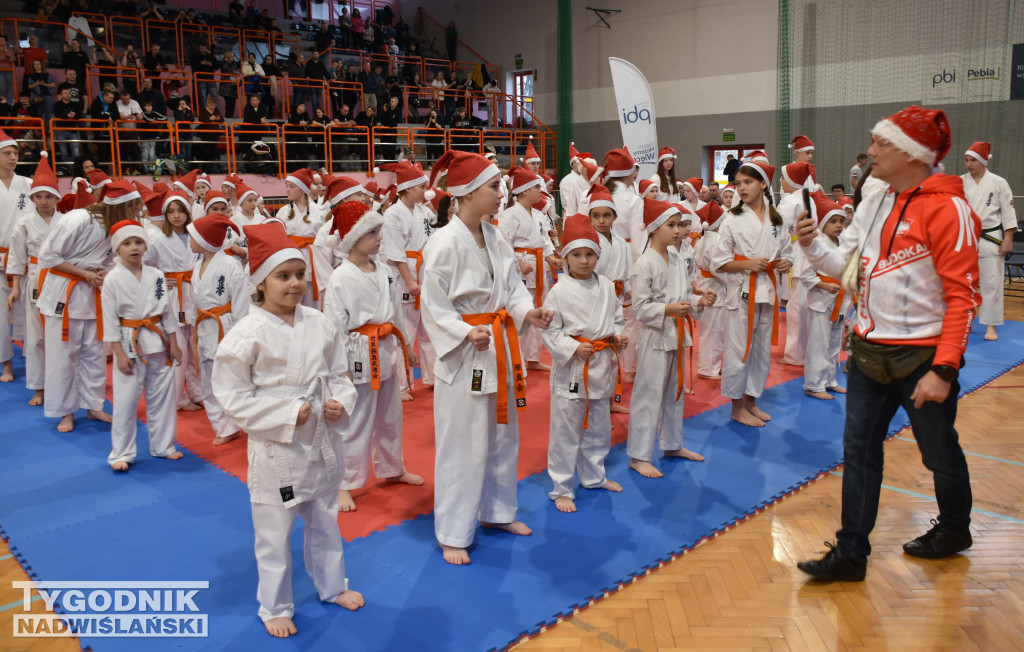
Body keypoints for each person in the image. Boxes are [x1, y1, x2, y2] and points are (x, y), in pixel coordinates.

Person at [795, 105, 980, 583]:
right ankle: (851, 553)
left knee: (938, 452)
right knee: (858, 453)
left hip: (923, 357)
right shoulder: (876, 198)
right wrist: (813, 245)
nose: (870, 151)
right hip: (868, 351)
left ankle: (956, 529)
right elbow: (847, 270)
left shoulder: (949, 207)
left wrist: (943, 370)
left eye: (882, 143)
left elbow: (964, 296)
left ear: (913, 153)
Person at [211, 222, 364, 638]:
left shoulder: (318, 321)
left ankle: (333, 586)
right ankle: (275, 605)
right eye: (283, 276)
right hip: (277, 448)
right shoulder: (245, 333)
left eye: (299, 274)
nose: (295, 284)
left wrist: (340, 402)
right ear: (259, 284)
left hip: (320, 438)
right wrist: (284, 414)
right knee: (275, 533)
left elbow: (338, 375)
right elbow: (232, 395)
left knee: (326, 520)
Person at [420, 150, 554, 565]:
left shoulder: (495, 236)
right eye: (494, 187)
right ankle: (453, 531)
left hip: (498, 345)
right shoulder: (442, 242)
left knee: (503, 436)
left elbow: (513, 286)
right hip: (465, 354)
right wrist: (464, 331)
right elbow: (434, 306)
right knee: (462, 443)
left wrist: (526, 311)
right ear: (465, 193)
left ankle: (497, 513)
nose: (502, 194)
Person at [322, 200, 423, 512]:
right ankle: (344, 482)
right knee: (357, 422)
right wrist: (341, 369)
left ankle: (392, 469)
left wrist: (406, 344)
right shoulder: (341, 277)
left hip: (387, 349)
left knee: (390, 418)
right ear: (353, 238)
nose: (381, 237)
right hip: (358, 357)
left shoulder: (384, 271)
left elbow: (393, 314)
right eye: (373, 232)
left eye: (380, 231)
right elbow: (334, 328)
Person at [36, 180, 141, 432]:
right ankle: (66, 412)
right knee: (63, 356)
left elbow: (110, 261)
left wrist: (106, 274)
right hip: (65, 292)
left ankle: (94, 406)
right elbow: (48, 257)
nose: (136, 214)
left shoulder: (116, 229)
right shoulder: (78, 219)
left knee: (93, 354)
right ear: (121, 206)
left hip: (93, 293)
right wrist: (84, 273)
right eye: (133, 208)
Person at [542, 214, 627, 511]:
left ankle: (594, 475)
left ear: (598, 255)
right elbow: (549, 330)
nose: (584, 261)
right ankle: (561, 487)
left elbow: (617, 318)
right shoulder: (558, 291)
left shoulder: (606, 286)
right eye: (576, 255)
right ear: (565, 257)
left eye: (590, 254)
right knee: (566, 432)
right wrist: (570, 348)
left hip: (601, 364)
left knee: (599, 427)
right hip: (573, 369)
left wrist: (618, 335)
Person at [627, 199, 714, 477]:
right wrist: (667, 309)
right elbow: (640, 308)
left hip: (677, 331)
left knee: (675, 392)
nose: (678, 230)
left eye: (679, 225)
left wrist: (700, 302)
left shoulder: (677, 258)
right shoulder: (644, 264)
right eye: (671, 225)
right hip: (654, 336)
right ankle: (639, 455)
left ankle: (672, 443)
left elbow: (684, 296)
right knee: (649, 394)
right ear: (654, 228)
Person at [710, 160, 793, 428]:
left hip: (767, 291)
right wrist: (747, 264)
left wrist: (784, 263)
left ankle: (751, 400)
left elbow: (787, 253)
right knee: (738, 350)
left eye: (748, 182)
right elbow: (718, 262)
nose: (741, 188)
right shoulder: (732, 219)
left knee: (760, 350)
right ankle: (736, 406)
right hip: (742, 292)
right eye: (738, 183)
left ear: (763, 185)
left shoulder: (776, 217)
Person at [101, 219, 185, 471]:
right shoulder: (112, 279)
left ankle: (163, 446)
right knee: (125, 402)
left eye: (138, 242)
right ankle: (122, 452)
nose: (134, 247)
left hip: (158, 340)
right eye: (127, 243)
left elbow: (168, 312)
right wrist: (117, 353)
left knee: (162, 398)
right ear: (117, 248)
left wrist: (174, 342)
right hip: (129, 343)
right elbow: (109, 320)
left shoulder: (156, 275)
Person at [5, 152, 62, 403]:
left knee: (60, 336)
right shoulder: (24, 223)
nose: (43, 201)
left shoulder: (65, 221)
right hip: (36, 279)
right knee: (36, 336)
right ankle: (39, 387)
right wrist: (16, 286)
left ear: (56, 197)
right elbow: (17, 257)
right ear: (32, 198)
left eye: (48, 196)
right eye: (38, 196)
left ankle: (62, 383)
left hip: (60, 279)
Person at [189, 212, 250, 444]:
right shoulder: (197, 266)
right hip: (204, 325)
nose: (190, 239)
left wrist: (242, 333)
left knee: (229, 379)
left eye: (193, 236)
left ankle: (237, 421)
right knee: (208, 381)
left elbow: (241, 302)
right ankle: (224, 427)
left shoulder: (230, 264)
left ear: (204, 240)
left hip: (225, 326)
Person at [379, 161, 436, 397]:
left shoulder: (424, 212)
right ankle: (402, 385)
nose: (424, 191)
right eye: (421, 187)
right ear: (409, 188)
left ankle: (433, 377)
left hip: (425, 270)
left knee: (429, 330)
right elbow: (396, 252)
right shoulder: (392, 215)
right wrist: (410, 281)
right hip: (404, 276)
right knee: (406, 330)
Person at [144, 190, 203, 411]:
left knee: (195, 347)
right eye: (171, 212)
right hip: (172, 295)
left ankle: (198, 392)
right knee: (179, 348)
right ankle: (178, 398)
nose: (176, 216)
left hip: (193, 291)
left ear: (187, 213)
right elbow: (144, 267)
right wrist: (159, 280)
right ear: (165, 215)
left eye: (180, 211)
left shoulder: (196, 236)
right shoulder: (159, 240)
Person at [498, 166, 559, 372]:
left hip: (539, 266)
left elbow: (544, 241)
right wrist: (517, 262)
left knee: (537, 311)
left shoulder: (539, 215)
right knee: (520, 312)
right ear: (524, 190)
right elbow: (503, 244)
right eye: (535, 188)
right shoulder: (509, 215)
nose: (539, 192)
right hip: (521, 267)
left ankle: (532, 357)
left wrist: (551, 258)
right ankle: (513, 357)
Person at [794, 193, 852, 400]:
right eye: (833, 221)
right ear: (823, 223)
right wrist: (825, 285)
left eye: (841, 221)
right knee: (819, 344)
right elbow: (806, 274)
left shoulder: (843, 243)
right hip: (822, 301)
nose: (838, 225)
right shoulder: (816, 243)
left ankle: (830, 380)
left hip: (842, 300)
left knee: (835, 343)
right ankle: (813, 384)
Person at [961, 141, 1016, 342]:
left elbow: (1009, 213)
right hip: (965, 239)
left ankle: (990, 325)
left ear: (983, 161)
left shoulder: (998, 183)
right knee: (962, 284)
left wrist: (1008, 238)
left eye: (973, 160)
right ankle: (961, 323)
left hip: (990, 237)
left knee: (991, 284)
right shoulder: (959, 182)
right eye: (966, 160)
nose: (969, 164)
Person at [775, 161, 816, 365]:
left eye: (783, 177)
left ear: (791, 180)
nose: (781, 181)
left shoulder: (791, 201)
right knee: (804, 307)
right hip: (810, 252)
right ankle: (804, 352)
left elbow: (778, 225)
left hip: (799, 253)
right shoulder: (807, 197)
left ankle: (795, 355)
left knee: (796, 309)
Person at [277, 168, 327, 308]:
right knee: (292, 299)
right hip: (291, 256)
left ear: (303, 189)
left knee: (313, 301)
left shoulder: (319, 211)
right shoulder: (283, 212)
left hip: (314, 258)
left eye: (291, 187)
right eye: (286, 186)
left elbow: (324, 239)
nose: (287, 190)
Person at [693, 201, 728, 379]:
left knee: (711, 330)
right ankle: (708, 369)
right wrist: (733, 278)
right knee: (713, 331)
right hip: (714, 289)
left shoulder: (704, 238)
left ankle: (710, 366)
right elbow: (718, 268)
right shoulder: (714, 242)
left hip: (707, 285)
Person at [219, 50, 240, 118]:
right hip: (226, 84)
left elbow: (236, 71)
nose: (232, 57)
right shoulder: (223, 62)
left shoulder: (234, 63)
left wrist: (236, 73)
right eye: (231, 56)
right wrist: (226, 61)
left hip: (233, 84)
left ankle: (231, 116)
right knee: (228, 101)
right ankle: (228, 116)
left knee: (233, 102)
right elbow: (224, 68)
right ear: (227, 57)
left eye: (233, 56)